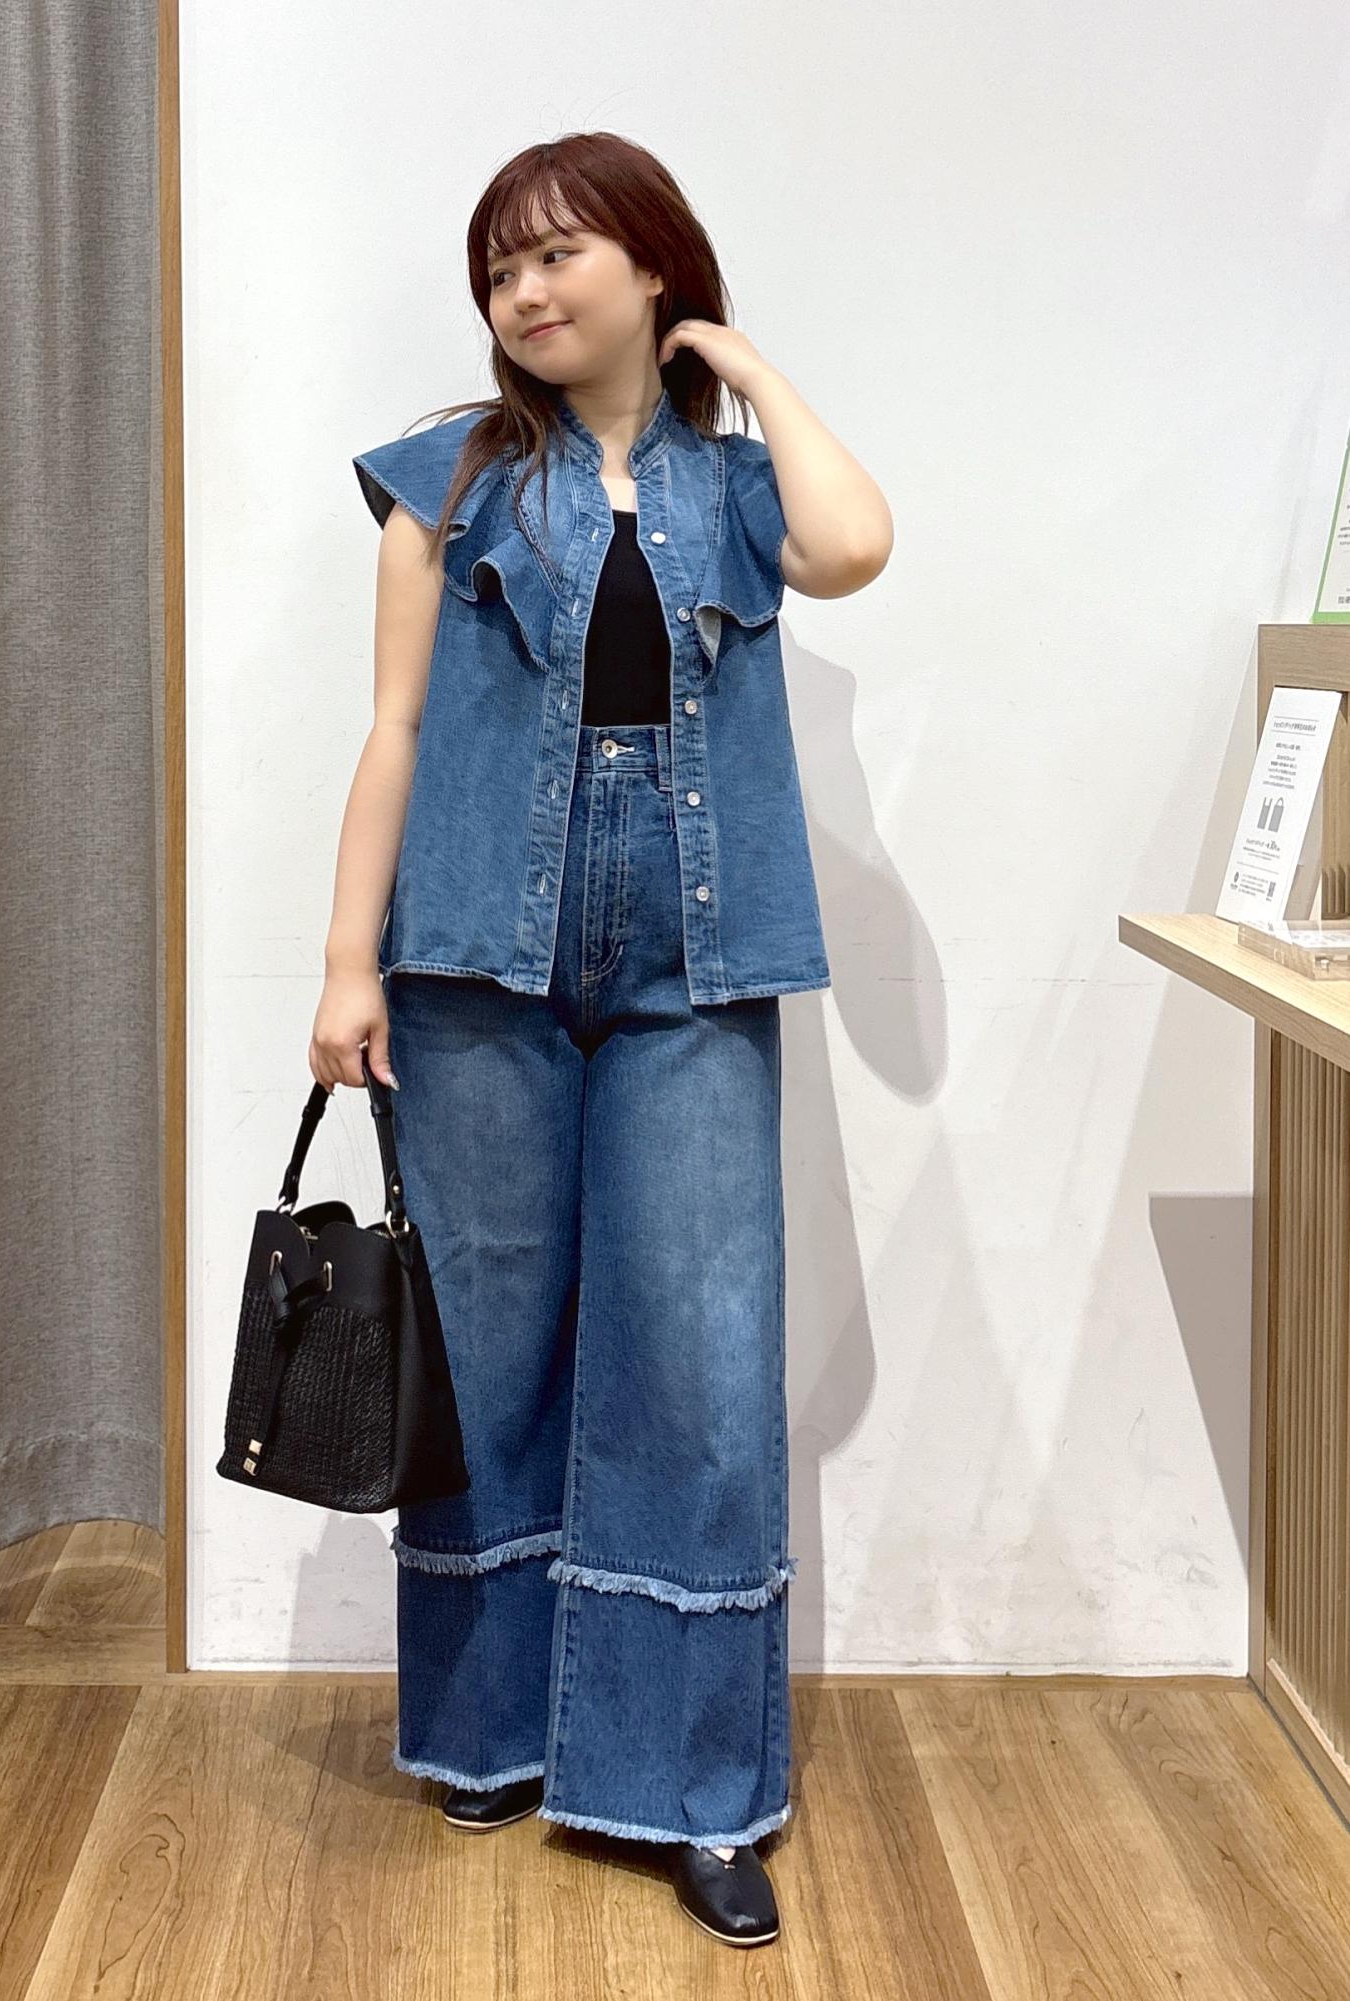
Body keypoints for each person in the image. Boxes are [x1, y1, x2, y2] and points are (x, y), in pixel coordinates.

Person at [310, 131, 892, 1949]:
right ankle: (491, 1732)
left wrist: (749, 367)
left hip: (693, 967)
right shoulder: (450, 479)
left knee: (701, 1357)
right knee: (489, 1346)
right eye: (501, 269)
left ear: (654, 268)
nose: (526, 291)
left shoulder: (735, 491)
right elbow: (397, 729)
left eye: (560, 253)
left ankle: (693, 1787)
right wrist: (344, 963)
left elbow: (858, 543)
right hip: (474, 953)